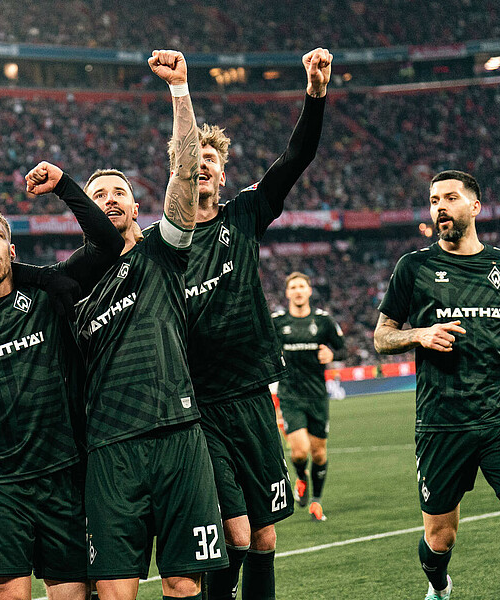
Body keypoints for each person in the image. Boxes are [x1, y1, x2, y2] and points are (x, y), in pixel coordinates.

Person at [68, 49, 227, 600]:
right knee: (115, 590)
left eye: (120, 193)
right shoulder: (69, 290)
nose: (110, 200)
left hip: (180, 436)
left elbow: (184, 171)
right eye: (98, 195)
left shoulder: (163, 251)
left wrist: (180, 91)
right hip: (110, 447)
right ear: (85, 213)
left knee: (185, 584)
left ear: (137, 209)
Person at [0, 164, 122, 599]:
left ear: (12, 249)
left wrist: (64, 187)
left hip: (61, 472)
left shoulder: (48, 293)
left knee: (72, 594)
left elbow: (108, 243)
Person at [185, 48, 331, 600]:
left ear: (222, 172)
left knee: (265, 537)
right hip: (199, 406)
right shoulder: (161, 243)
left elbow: (296, 157)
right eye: (191, 157)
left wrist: (315, 92)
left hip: (251, 396)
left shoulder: (245, 215)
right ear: (177, 169)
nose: (201, 164)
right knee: (235, 536)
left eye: (210, 158)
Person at [374, 170, 500, 600]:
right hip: (441, 422)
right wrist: (417, 334)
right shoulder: (413, 267)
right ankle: (439, 585)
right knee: (440, 538)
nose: (440, 207)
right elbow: (382, 336)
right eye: (434, 199)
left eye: (450, 198)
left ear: (474, 206)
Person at [271, 271, 345, 521]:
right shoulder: (277, 321)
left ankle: (316, 502)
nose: (298, 291)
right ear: (287, 293)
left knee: (319, 454)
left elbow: (342, 349)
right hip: (290, 395)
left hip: (317, 397)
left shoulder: (323, 321)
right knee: (300, 451)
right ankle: (301, 478)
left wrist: (333, 356)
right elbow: (262, 347)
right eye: (293, 287)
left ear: (310, 290)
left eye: (302, 286)